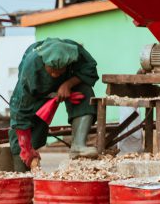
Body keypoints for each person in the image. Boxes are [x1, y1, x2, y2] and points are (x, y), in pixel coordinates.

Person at [9, 38, 99, 171]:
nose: (55, 74)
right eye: (51, 70)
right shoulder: (31, 66)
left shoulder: (75, 53)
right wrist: (26, 148)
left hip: (68, 83)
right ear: (44, 63)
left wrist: (68, 84)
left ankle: (78, 145)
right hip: (37, 94)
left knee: (85, 91)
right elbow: (19, 109)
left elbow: (90, 70)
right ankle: (21, 171)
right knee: (24, 135)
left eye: (59, 70)